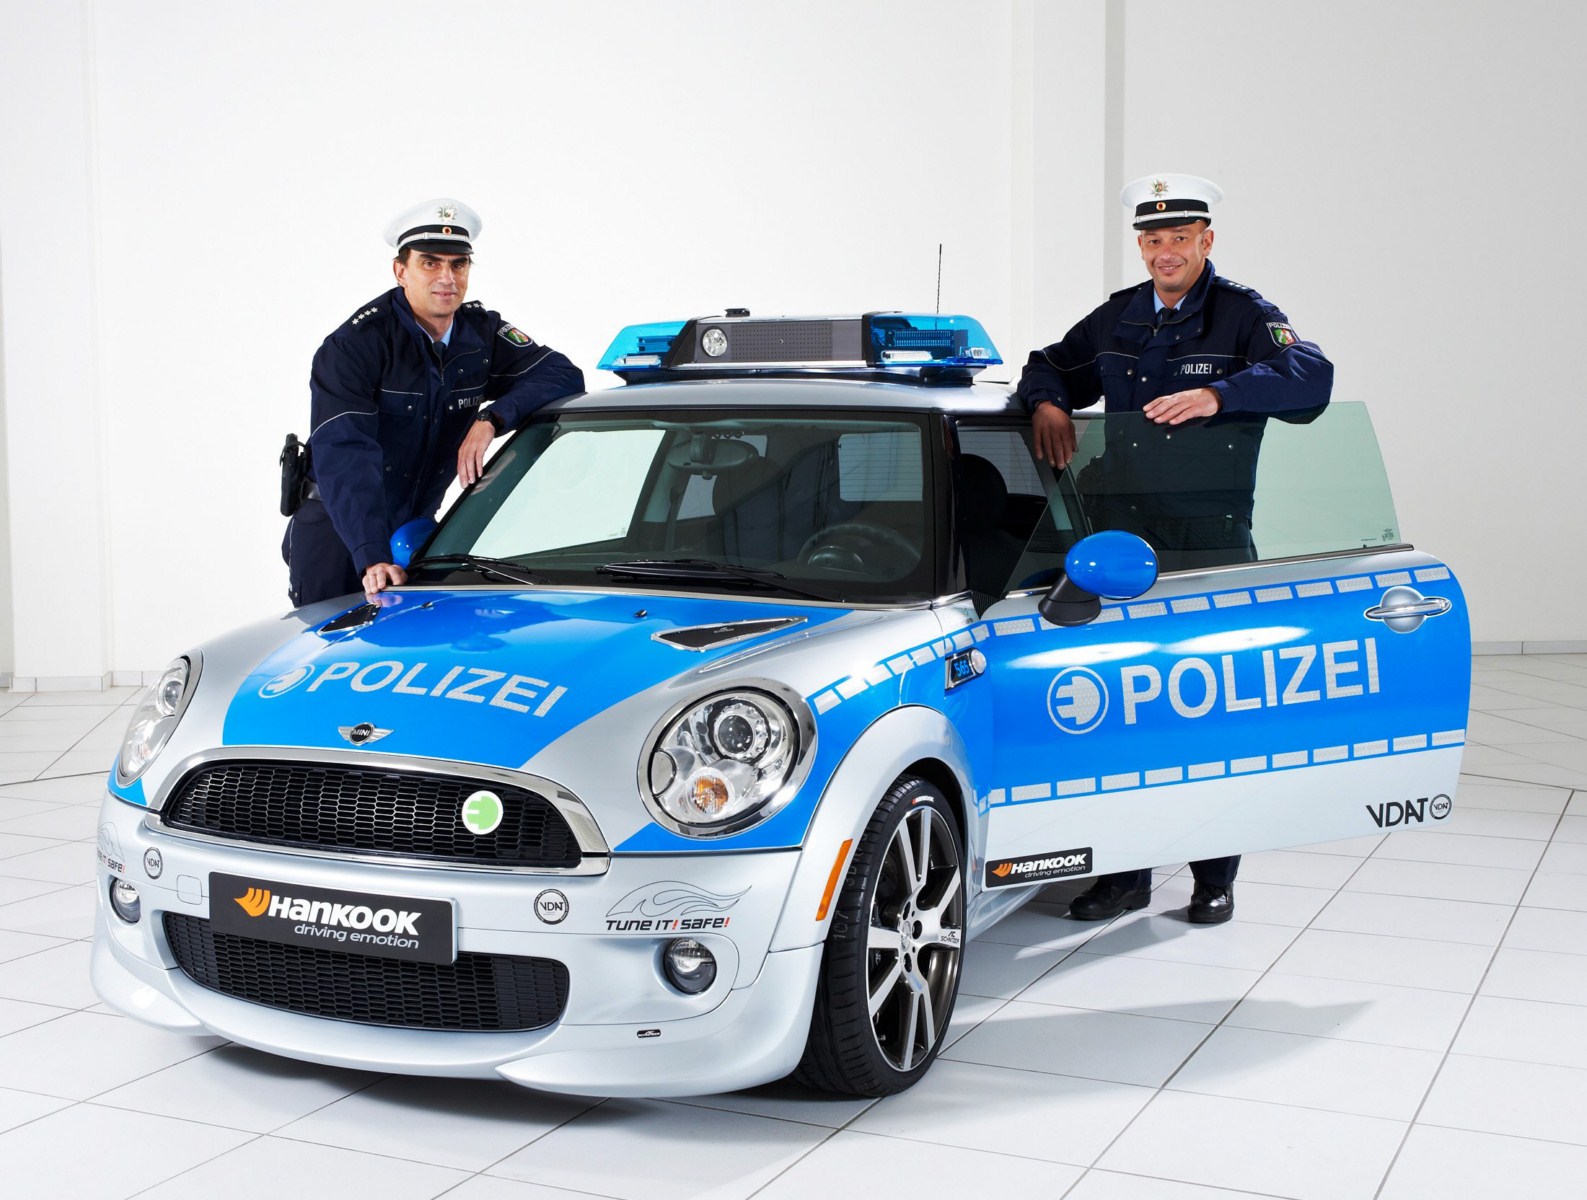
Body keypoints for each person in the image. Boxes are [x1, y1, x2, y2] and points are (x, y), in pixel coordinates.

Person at [1015, 173, 1334, 925]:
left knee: (1211, 707)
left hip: (1207, 535)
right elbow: (1048, 361)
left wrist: (1221, 394)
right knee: (1119, 702)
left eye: (1179, 239)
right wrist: (1048, 400)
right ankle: (1123, 875)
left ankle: (1212, 876)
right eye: (1152, 239)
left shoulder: (1242, 315)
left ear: (1205, 241)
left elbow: (1312, 377)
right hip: (1122, 535)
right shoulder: (1120, 315)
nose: (1165, 252)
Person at [284, 198, 584, 607]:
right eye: (430, 263)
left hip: (415, 533)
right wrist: (372, 555)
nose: (447, 278)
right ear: (400, 271)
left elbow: (562, 374)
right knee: (329, 642)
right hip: (340, 530)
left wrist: (491, 419)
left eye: (459, 265)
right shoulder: (355, 345)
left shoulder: (480, 334)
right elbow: (345, 450)